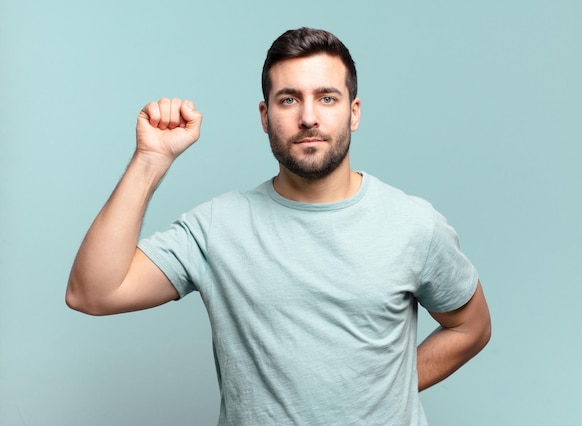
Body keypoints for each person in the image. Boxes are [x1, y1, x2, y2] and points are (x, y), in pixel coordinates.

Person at [66, 27, 491, 425]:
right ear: (265, 116)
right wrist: (151, 159)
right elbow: (93, 293)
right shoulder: (218, 227)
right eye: (289, 99)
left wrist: (382, 389)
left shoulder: (413, 224)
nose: (309, 117)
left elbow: (471, 327)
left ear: (353, 112)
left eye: (327, 98)